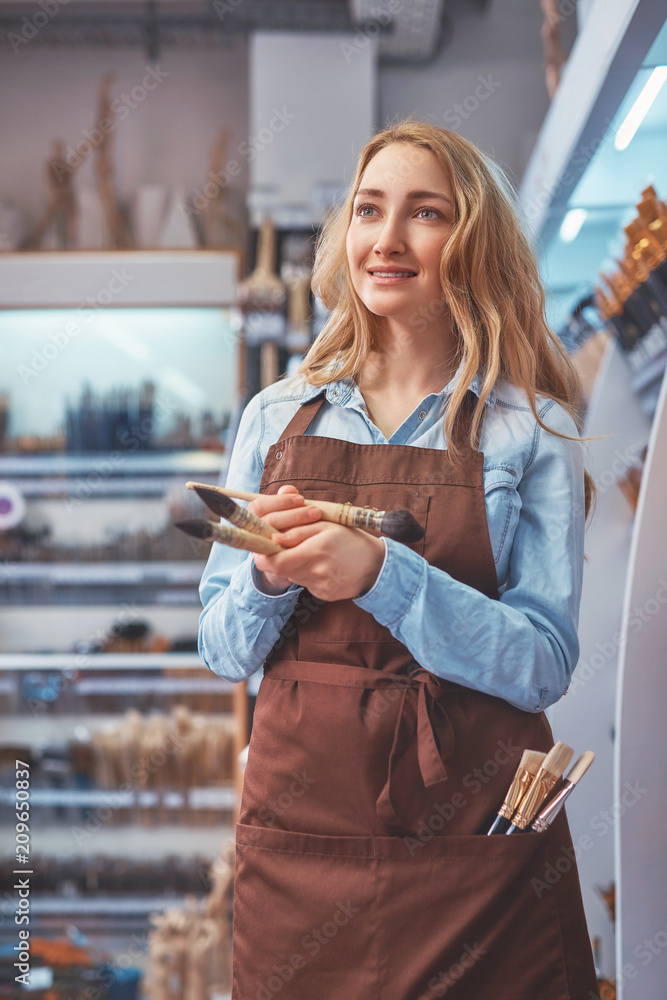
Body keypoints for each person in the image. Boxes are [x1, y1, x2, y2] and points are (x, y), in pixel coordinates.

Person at [198, 120, 599, 1000]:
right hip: (304, 845)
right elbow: (223, 649)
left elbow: (541, 663)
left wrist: (385, 575)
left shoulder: (525, 426)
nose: (386, 240)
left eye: (425, 213)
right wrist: (269, 577)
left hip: (473, 854)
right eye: (368, 210)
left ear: (475, 240)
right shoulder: (276, 416)